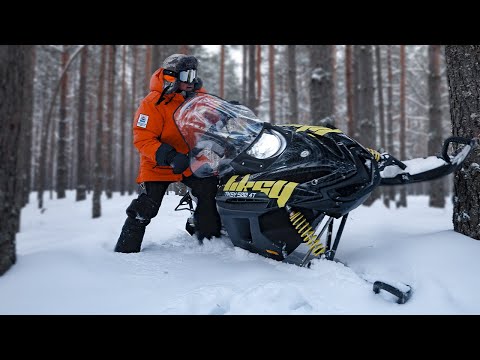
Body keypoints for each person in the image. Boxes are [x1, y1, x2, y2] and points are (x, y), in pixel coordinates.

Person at [114, 54, 222, 253]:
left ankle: (210, 243)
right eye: (185, 75)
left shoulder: (199, 99)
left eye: (193, 75)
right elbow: (143, 138)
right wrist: (170, 156)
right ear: (171, 76)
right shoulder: (152, 103)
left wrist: (224, 114)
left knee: (210, 193)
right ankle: (125, 251)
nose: (191, 81)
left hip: (191, 160)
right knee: (147, 206)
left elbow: (213, 118)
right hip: (158, 163)